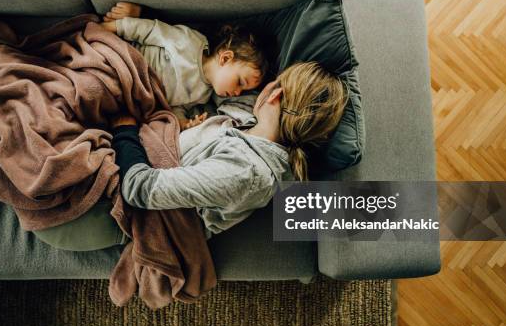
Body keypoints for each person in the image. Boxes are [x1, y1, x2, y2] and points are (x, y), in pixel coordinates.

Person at [111, 62, 348, 239]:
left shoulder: (246, 172)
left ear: (275, 94)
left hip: (130, 192)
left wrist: (125, 132)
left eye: (273, 82)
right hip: (154, 138)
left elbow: (139, 188)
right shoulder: (248, 116)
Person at [101, 2, 272, 130]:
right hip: (127, 63)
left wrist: (183, 123)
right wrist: (113, 27)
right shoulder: (191, 43)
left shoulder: (203, 95)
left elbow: (176, 106)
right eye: (240, 82)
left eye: (242, 92)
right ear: (225, 58)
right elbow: (150, 31)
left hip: (136, 95)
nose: (237, 93)